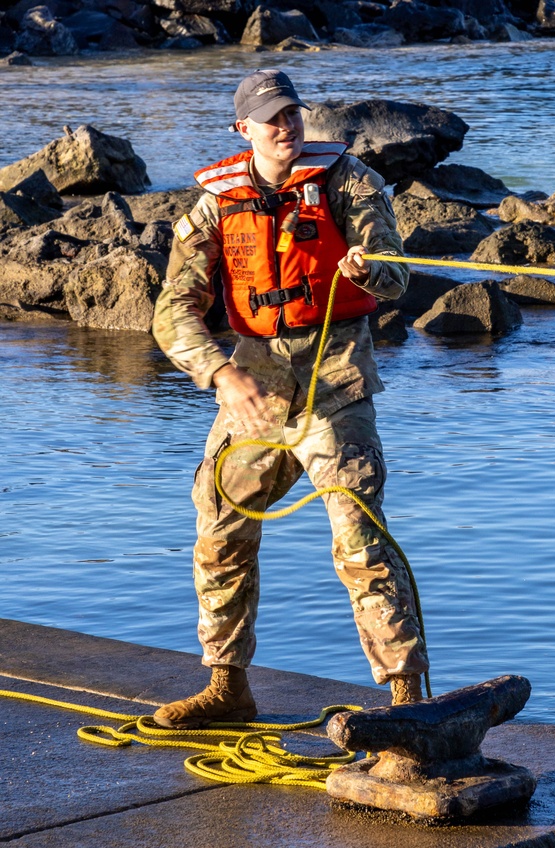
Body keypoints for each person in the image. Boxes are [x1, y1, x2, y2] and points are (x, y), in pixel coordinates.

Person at [151, 69, 427, 728]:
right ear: (242, 128)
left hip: (336, 384)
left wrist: (370, 267)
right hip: (255, 389)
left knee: (360, 544)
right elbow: (172, 311)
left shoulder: (349, 182)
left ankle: (409, 702)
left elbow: (394, 272)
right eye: (270, 116)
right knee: (218, 523)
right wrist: (220, 374)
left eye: (293, 113)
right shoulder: (215, 204)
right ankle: (227, 686)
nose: (286, 126)